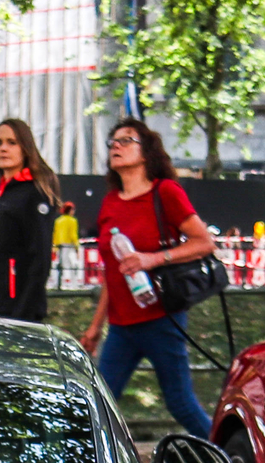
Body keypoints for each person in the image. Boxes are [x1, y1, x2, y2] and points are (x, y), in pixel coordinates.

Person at [81, 117, 219, 440]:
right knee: (97, 404)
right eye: (112, 142)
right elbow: (113, 272)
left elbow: (204, 243)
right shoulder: (110, 203)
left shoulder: (165, 192)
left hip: (161, 319)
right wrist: (95, 326)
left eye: (126, 140)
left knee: (181, 404)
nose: (116, 146)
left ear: (147, 152)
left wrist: (152, 258)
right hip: (120, 326)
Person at [0, 118, 59, 321]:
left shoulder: (34, 192)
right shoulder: (1, 190)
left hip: (17, 311)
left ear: (25, 147)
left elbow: (39, 260)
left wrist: (22, 316)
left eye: (11, 142)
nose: (3, 149)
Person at [52, 198, 83, 287]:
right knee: (72, 265)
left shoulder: (58, 220)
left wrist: (54, 247)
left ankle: (57, 283)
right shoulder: (73, 220)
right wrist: (77, 247)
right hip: (69, 246)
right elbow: (73, 234)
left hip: (59, 245)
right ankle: (74, 284)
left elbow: (55, 234)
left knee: (59, 265)